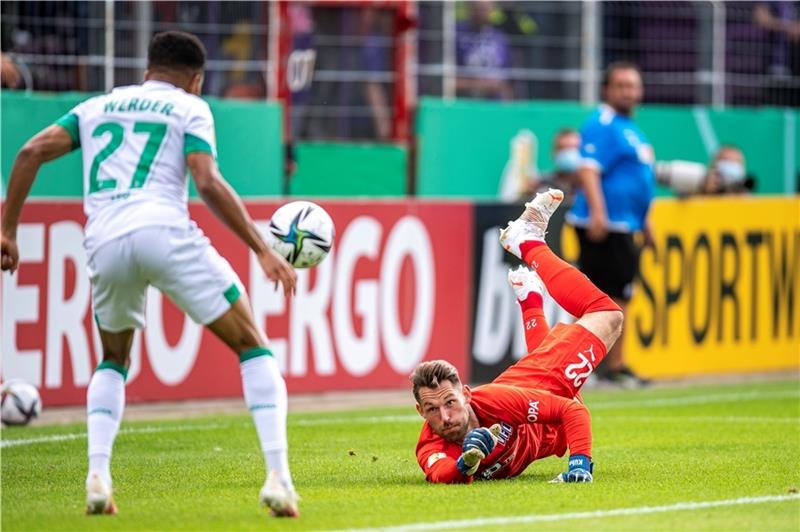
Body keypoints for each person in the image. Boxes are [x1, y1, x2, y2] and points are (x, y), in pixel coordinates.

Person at [0, 31, 300, 518]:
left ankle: (98, 476)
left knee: (113, 358)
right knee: (253, 344)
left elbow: (30, 152)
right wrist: (261, 248)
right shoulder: (189, 108)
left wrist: (9, 231)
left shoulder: (97, 107)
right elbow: (206, 180)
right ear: (196, 80)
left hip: (104, 240)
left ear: (146, 70)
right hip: (164, 230)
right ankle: (280, 479)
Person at [412, 188, 623, 483]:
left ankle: (527, 242)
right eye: (433, 409)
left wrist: (579, 465)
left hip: (544, 382)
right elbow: (439, 472)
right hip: (547, 434)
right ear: (421, 412)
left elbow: (571, 412)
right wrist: (464, 465)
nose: (445, 417)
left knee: (608, 314)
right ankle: (530, 301)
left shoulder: (495, 401)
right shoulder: (431, 444)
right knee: (550, 361)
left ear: (467, 395)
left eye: (450, 403)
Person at [565, 61, 655, 387]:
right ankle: (586, 367)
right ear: (607, 89)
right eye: (622, 85)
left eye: (633, 85)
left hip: (625, 224)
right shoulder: (602, 123)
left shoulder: (630, 128)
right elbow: (588, 170)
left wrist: (646, 224)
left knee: (618, 297)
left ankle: (613, 366)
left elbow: (640, 181)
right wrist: (599, 213)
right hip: (606, 224)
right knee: (601, 298)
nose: (629, 92)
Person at [456, 0, 513, 100]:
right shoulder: (456, 35)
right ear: (469, 8)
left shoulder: (499, 38)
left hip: (495, 104)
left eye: (486, 7)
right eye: (478, 7)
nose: (482, 12)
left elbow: (507, 81)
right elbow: (447, 81)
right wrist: (484, 85)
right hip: (465, 101)